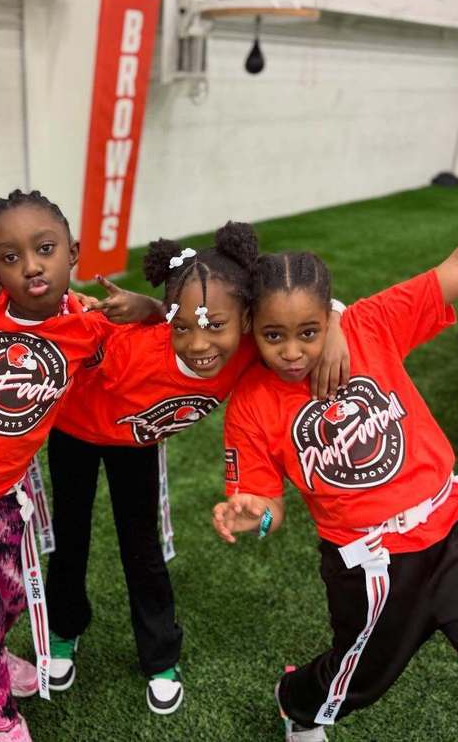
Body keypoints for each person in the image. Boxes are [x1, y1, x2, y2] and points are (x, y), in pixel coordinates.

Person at [212, 113, 458, 742]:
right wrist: (250, 511)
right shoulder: (253, 403)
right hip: (371, 567)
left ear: (329, 317)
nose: (291, 352)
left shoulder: (369, 326)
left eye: (308, 332)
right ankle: (296, 699)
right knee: (356, 682)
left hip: (456, 530)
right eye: (273, 336)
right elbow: (268, 505)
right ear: (253, 329)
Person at [44, 222, 349, 715]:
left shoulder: (255, 346)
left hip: (136, 446)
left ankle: (161, 657)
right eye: (182, 327)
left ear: (247, 319)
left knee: (141, 547)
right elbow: (57, 327)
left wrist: (336, 325)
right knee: (69, 536)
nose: (199, 343)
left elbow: (309, 303)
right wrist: (147, 313)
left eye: (214, 326)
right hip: (73, 435)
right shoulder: (131, 347)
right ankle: (63, 631)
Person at [0, 189, 160, 742]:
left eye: (44, 249)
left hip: (11, 496)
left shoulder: (88, 327)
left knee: (13, 600)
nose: (30, 266)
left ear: (74, 254)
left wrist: (153, 308)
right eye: (10, 258)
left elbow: (173, 339)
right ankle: (2, 721)